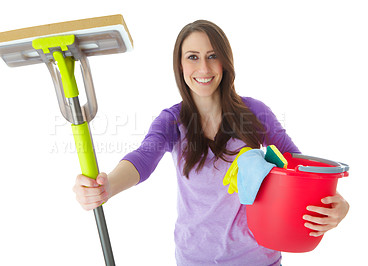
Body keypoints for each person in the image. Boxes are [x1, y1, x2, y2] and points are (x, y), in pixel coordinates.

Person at [72, 20, 349, 265]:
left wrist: (337, 206)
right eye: (192, 57)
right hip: (195, 259)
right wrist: (107, 186)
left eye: (212, 56)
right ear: (180, 66)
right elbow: (143, 158)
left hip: (257, 260)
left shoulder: (255, 113)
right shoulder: (173, 120)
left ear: (224, 62)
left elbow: (296, 168)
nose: (203, 68)